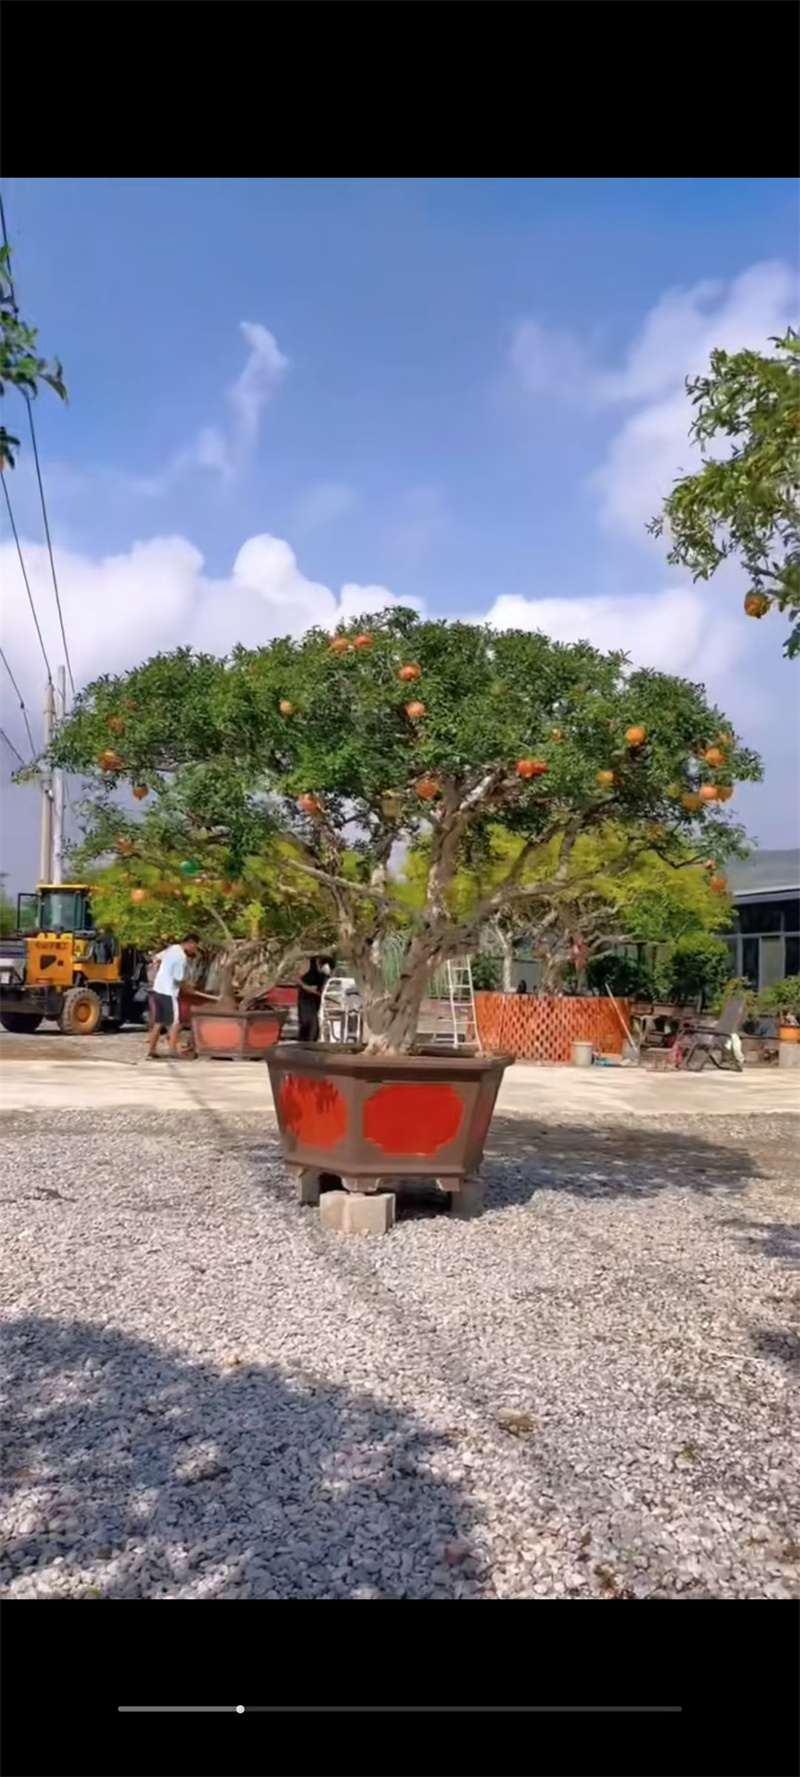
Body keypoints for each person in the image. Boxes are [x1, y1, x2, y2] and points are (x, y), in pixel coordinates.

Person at [145, 934, 200, 1059]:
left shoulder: (172, 948)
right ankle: (172, 1050)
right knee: (176, 1022)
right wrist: (189, 986)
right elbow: (178, 978)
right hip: (169, 992)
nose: (194, 950)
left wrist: (160, 967)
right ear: (190, 943)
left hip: (158, 989)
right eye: (195, 947)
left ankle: (151, 1050)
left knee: (159, 1022)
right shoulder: (181, 958)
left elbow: (157, 958)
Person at [297, 956, 333, 1043]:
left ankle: (312, 1043)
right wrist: (306, 987)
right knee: (307, 1022)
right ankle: (305, 1044)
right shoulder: (309, 963)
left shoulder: (327, 964)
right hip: (306, 997)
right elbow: (296, 978)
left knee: (317, 1022)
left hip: (318, 997)